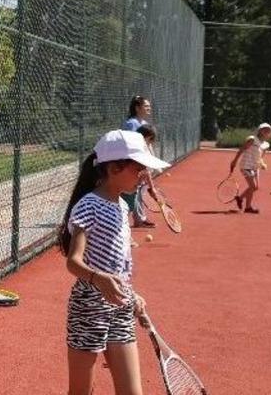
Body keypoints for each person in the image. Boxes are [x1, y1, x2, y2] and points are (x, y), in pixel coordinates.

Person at [59, 130, 170, 395]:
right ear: (114, 167)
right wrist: (99, 280)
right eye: (138, 168)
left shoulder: (122, 206)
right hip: (89, 306)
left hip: (120, 305)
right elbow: (73, 262)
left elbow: (119, 264)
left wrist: (132, 294)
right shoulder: (89, 205)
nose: (144, 175)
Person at [120, 96, 154, 228]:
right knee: (131, 192)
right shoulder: (131, 124)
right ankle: (128, 221)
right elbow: (131, 145)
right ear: (137, 108)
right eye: (146, 106)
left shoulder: (144, 124)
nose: (149, 108)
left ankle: (139, 218)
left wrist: (152, 161)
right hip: (133, 164)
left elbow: (148, 145)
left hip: (142, 163)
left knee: (139, 191)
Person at [229, 123, 271, 214]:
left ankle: (240, 199)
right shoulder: (252, 139)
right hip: (246, 166)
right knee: (252, 186)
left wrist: (262, 164)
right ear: (260, 131)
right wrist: (234, 161)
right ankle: (248, 207)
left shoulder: (266, 145)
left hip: (255, 167)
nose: (267, 132)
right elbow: (241, 150)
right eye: (265, 130)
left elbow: (260, 157)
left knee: (255, 187)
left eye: (269, 131)